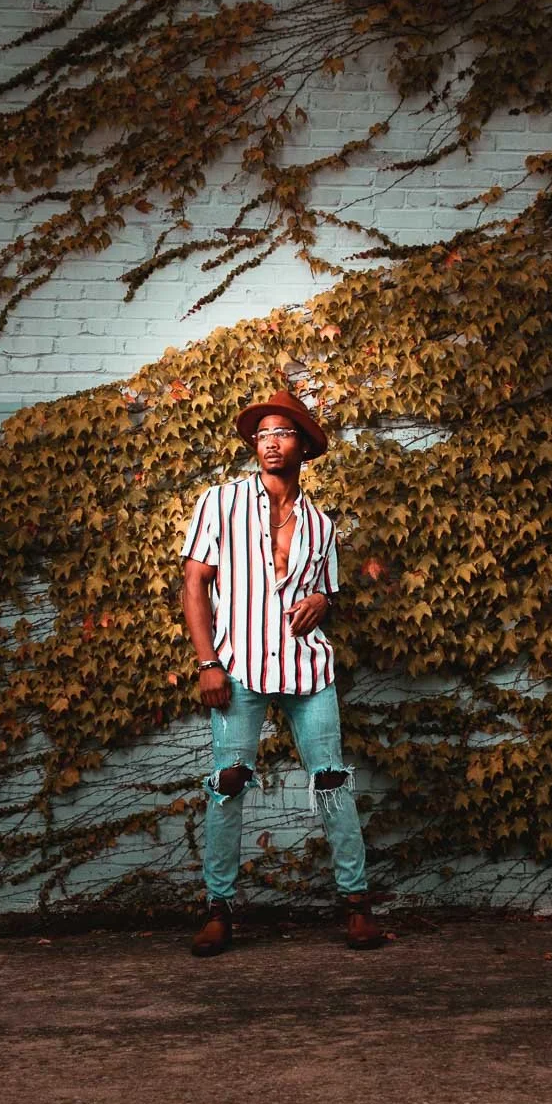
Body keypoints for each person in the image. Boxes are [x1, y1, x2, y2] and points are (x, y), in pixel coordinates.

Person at [181, 388, 384, 956]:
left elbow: (324, 591)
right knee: (228, 784)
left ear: (305, 444)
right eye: (261, 434)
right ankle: (219, 910)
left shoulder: (321, 524)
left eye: (282, 432)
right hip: (237, 666)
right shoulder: (219, 503)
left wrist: (322, 601)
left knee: (332, 782)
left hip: (307, 668)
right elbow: (194, 584)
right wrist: (207, 663)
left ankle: (357, 905)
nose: (270, 442)